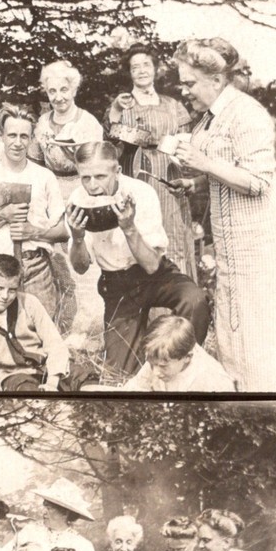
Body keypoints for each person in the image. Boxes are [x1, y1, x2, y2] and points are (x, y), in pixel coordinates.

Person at [172, 37, 276, 392]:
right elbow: (227, 168)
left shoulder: (248, 113)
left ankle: (274, 395)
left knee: (262, 314)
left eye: (189, 83)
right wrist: (196, 183)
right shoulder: (212, 116)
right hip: (235, 232)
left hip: (265, 231)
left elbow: (258, 181)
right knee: (236, 307)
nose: (184, 91)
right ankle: (241, 390)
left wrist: (204, 163)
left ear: (216, 80)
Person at [67, 142, 210, 379]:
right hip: (116, 284)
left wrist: (129, 228)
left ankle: (185, 371)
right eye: (85, 178)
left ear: (117, 171)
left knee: (194, 300)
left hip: (155, 274)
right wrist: (77, 237)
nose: (92, 185)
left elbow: (152, 265)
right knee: (118, 375)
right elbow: (80, 267)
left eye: (100, 176)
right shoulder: (77, 200)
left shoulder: (142, 193)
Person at [0, 104, 66, 322]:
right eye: (12, 135)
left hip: (35, 268)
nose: (18, 143)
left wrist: (34, 232)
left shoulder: (44, 177)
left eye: (24, 136)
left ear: (32, 139)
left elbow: (63, 231)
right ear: (0, 135)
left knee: (39, 332)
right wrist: (2, 216)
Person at [107, 44, 197, 277]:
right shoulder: (122, 106)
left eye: (146, 65)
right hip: (137, 175)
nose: (141, 71)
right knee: (142, 235)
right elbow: (111, 146)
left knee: (174, 235)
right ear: (129, 73)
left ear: (155, 69)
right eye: (135, 67)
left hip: (170, 177)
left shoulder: (173, 106)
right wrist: (116, 113)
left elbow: (188, 143)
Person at [0, 255, 99, 392]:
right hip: (16, 375)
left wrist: (52, 382)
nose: (5, 296)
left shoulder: (29, 303)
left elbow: (54, 344)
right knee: (27, 392)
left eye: (12, 290)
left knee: (84, 378)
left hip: (48, 366)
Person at [30, 60, 104, 332]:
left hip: (81, 190)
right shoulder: (42, 123)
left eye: (64, 89)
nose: (59, 97)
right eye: (52, 91)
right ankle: (62, 323)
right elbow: (35, 162)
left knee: (82, 254)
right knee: (55, 259)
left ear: (74, 89)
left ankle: (90, 325)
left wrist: (78, 157)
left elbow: (97, 165)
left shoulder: (88, 123)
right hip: (51, 192)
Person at [123, 315, 235, 392]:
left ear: (187, 357)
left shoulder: (212, 381)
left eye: (163, 366)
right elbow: (133, 389)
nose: (155, 372)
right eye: (151, 364)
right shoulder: (159, 358)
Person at [33, 477, 97, 551]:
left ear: (65, 513)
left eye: (49, 508)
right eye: (44, 507)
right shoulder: (30, 533)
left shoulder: (83, 546)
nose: (43, 512)